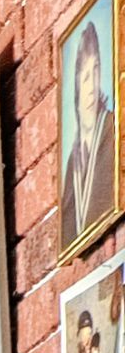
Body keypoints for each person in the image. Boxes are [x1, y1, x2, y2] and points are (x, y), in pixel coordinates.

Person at [72, 15, 117, 249]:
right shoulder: (72, 161)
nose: (91, 88)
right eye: (85, 77)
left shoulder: (114, 129)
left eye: (96, 70)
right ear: (77, 86)